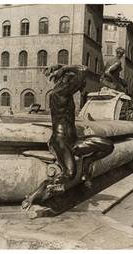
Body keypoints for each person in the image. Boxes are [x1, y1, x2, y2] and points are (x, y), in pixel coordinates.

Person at [22, 64, 114, 211]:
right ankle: (34, 196)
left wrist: (63, 68)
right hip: (60, 141)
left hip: (73, 140)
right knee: (69, 174)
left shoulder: (66, 93)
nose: (81, 86)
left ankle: (86, 163)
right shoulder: (59, 93)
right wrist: (65, 68)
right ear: (68, 81)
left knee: (107, 145)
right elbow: (83, 69)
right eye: (77, 83)